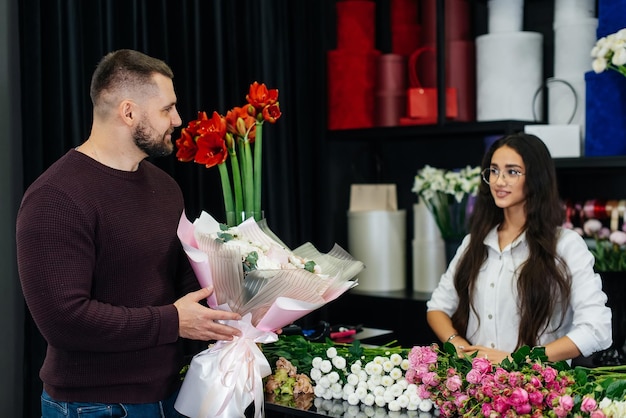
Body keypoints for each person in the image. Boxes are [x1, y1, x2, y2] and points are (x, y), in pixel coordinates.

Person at [16, 49, 242, 417]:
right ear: (129, 112)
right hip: (92, 406)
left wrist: (246, 296)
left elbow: (185, 282)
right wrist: (172, 321)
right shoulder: (55, 197)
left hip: (171, 396)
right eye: (167, 108)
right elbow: (64, 321)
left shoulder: (166, 187)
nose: (178, 120)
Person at [426, 132, 612, 364]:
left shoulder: (565, 245)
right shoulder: (473, 243)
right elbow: (437, 308)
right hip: (477, 388)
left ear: (536, 179)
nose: (499, 181)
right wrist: (459, 346)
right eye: (493, 170)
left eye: (512, 172)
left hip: (539, 390)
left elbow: (597, 328)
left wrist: (519, 360)